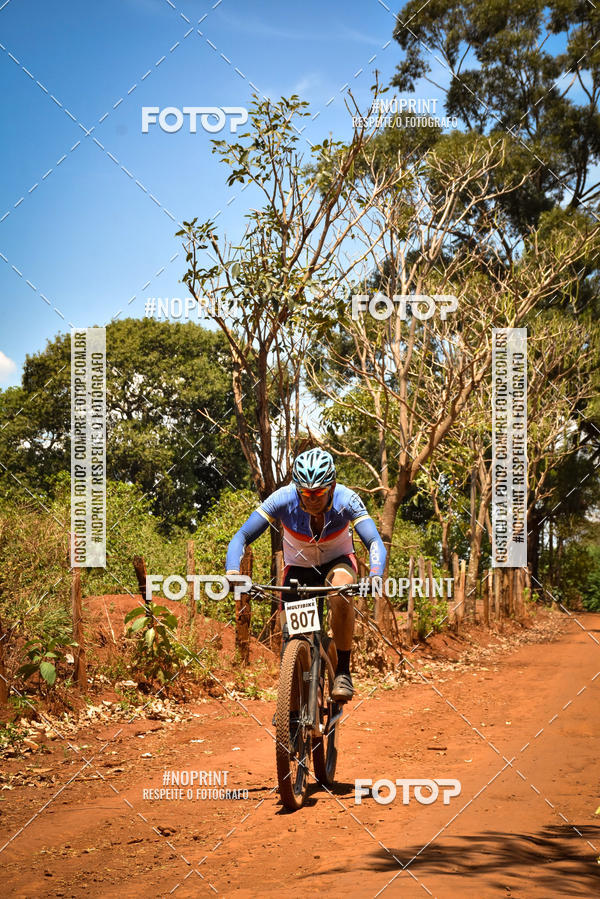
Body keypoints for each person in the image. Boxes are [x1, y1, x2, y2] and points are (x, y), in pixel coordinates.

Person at [225, 448, 386, 702]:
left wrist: (376, 575)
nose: (311, 499)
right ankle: (292, 703)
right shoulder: (282, 499)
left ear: (331, 487)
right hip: (298, 568)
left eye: (318, 493)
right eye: (305, 492)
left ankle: (343, 669)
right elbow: (242, 536)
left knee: (341, 591)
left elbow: (374, 540)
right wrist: (232, 571)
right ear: (296, 487)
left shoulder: (347, 499)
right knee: (291, 632)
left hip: (337, 562)